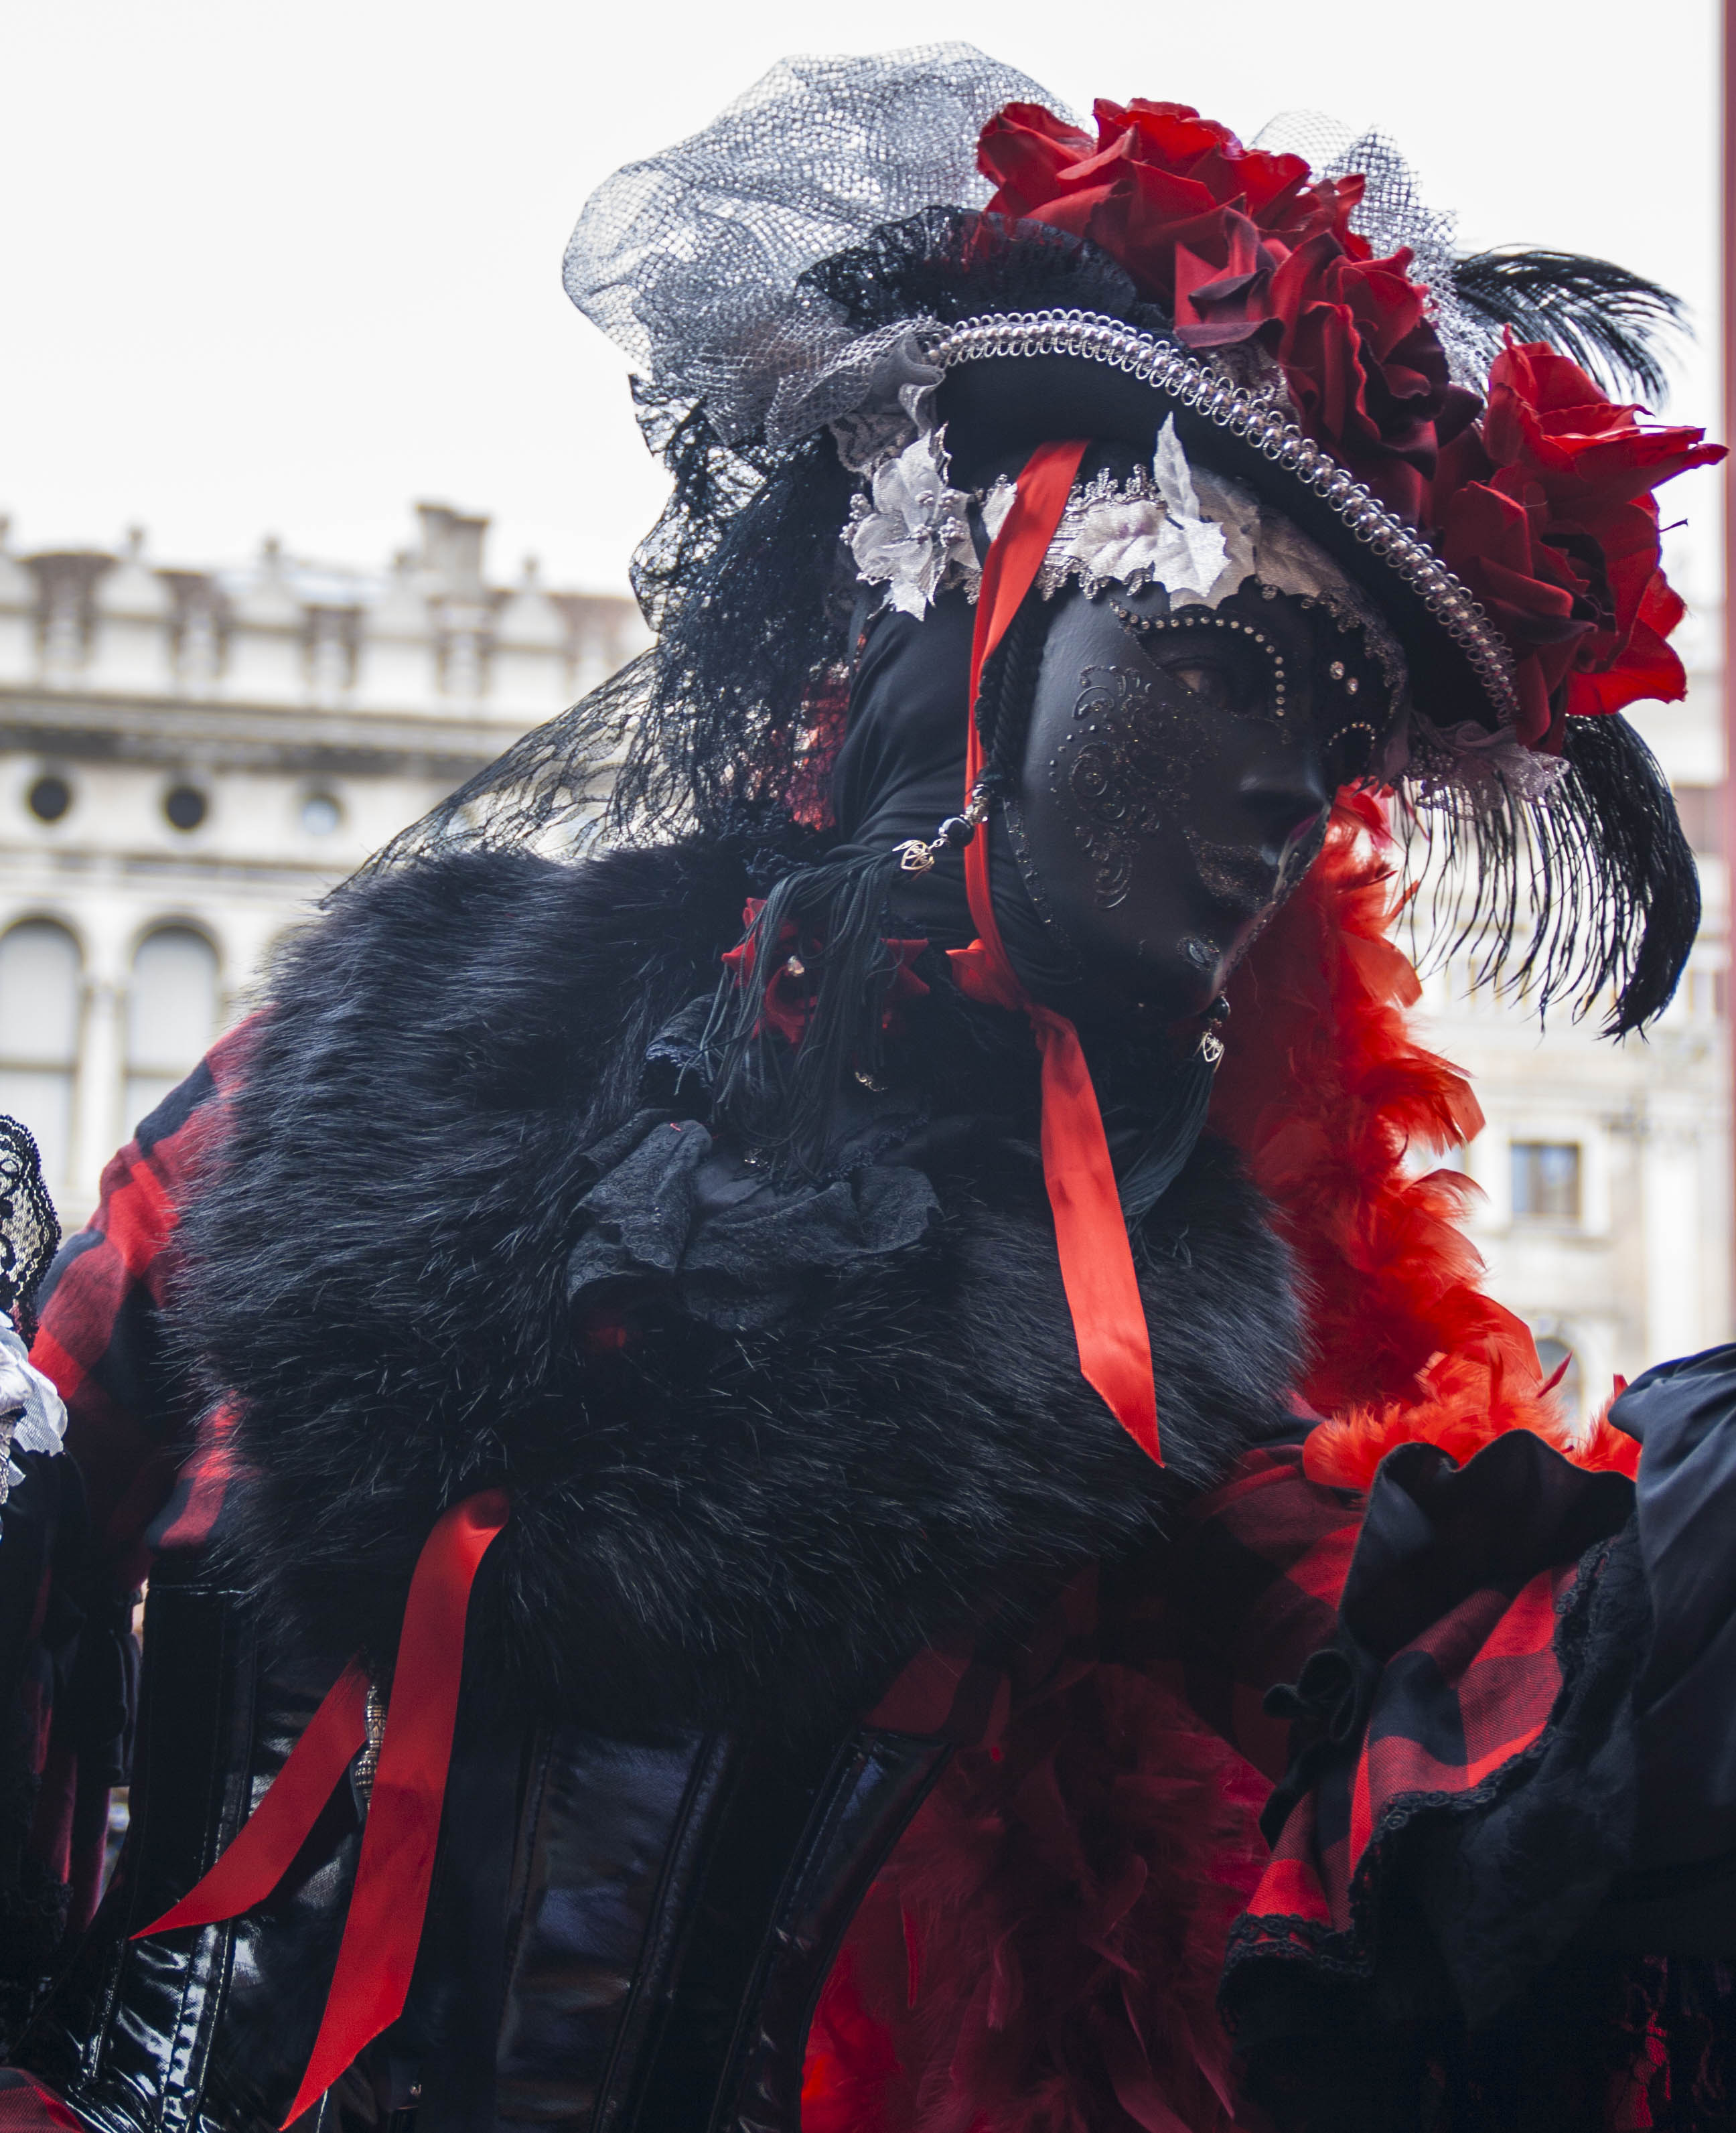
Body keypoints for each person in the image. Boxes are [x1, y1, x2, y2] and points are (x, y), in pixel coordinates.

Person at [0, 45, 1731, 2133]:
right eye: (1220, 660)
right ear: (975, 618)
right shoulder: (375, 1056)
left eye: (1342, 731)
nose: (1293, 783)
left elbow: (1428, 1716)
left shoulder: (1140, 1338)